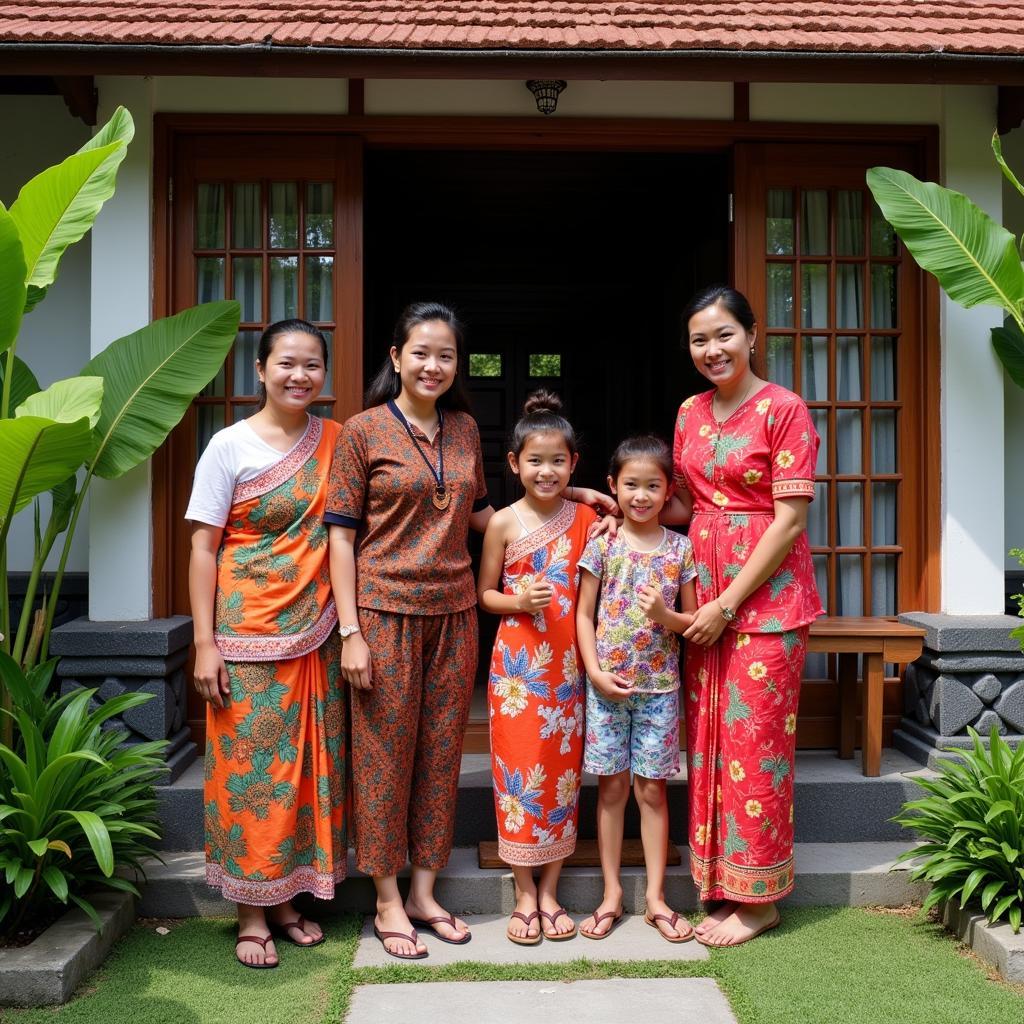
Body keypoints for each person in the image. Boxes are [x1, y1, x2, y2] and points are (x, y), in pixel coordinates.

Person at [326, 303, 614, 960]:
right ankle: (389, 898)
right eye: (421, 352)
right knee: (381, 762)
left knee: (439, 758)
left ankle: (425, 890)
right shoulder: (362, 432)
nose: (433, 365)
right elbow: (340, 538)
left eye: (446, 355)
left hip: (455, 616)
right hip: (382, 614)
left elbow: (486, 517)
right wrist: (350, 631)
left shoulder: (462, 428)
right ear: (396, 357)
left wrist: (579, 499)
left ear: (457, 365)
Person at [187, 319, 346, 968]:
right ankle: (251, 911)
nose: (299, 375)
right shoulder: (228, 446)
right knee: (251, 779)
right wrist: (203, 643)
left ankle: (287, 899)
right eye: (286, 363)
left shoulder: (338, 440)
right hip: (245, 636)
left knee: (304, 775)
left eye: (312, 365)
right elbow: (203, 546)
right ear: (260, 369)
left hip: (320, 636)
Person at [670, 284, 823, 947]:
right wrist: (611, 505)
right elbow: (685, 506)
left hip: (765, 604)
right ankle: (722, 884)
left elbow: (789, 521)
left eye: (724, 335)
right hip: (702, 596)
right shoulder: (688, 412)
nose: (712, 349)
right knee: (708, 743)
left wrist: (726, 604)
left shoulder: (784, 409)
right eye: (700, 339)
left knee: (757, 748)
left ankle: (760, 900)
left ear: (753, 336)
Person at [478, 390, 597, 945]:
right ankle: (524, 891)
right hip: (517, 672)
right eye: (534, 460)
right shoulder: (502, 522)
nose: (545, 471)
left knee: (561, 777)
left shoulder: (590, 520)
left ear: (573, 463)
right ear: (513, 464)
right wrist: (519, 602)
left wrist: (592, 497)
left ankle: (551, 890)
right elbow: (484, 596)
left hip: (569, 666)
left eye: (557, 461)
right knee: (518, 773)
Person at [575, 436, 698, 943]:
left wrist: (665, 617)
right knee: (611, 790)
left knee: (651, 791)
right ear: (613, 487)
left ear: (669, 491)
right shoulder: (602, 543)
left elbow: (691, 619)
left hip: (660, 690)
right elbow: (583, 615)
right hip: (608, 689)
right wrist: (595, 672)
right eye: (631, 485)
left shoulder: (681, 548)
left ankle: (655, 898)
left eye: (653, 486)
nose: (641, 496)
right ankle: (611, 894)